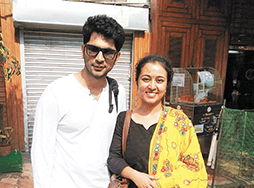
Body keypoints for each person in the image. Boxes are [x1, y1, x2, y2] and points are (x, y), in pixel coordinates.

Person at [31, 14, 127, 188]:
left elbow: (116, 144)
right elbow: (41, 153)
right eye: (93, 49)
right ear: (83, 49)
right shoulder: (56, 93)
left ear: (117, 57)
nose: (99, 58)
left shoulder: (119, 92)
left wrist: (115, 178)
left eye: (108, 52)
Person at [108, 55, 208, 188]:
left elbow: (193, 167)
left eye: (159, 80)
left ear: (167, 86)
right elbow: (114, 159)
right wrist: (135, 176)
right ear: (137, 82)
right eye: (146, 79)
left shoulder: (179, 121)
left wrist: (160, 183)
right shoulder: (124, 119)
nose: (152, 86)